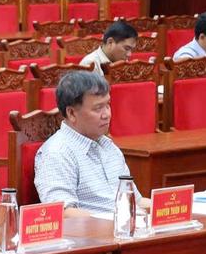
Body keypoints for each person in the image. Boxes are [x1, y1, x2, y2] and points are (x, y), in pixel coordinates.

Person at [34, 70, 136, 213]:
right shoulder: (56, 153)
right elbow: (63, 212)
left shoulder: (109, 146)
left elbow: (136, 201)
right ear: (72, 113)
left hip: (127, 223)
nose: (107, 114)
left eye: (107, 105)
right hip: (95, 226)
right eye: (98, 108)